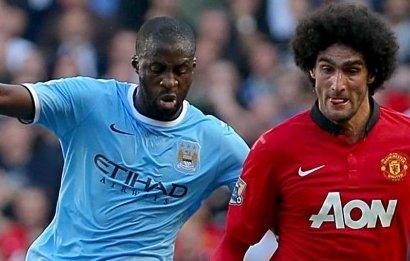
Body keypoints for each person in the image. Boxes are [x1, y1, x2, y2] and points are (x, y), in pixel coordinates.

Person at [213, 3, 410, 260]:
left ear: (372, 73)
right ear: (312, 70)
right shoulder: (273, 147)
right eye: (327, 69)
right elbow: (233, 245)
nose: (337, 84)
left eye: (351, 70)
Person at [0, 16, 249, 260]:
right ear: (136, 64)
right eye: (157, 69)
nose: (170, 81)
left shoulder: (215, 141)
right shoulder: (91, 101)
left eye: (180, 70)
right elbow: (8, 97)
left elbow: (272, 189)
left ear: (193, 67)